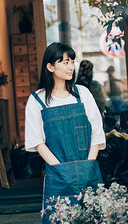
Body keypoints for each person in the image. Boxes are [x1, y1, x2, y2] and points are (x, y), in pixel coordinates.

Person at [24, 43, 106, 223]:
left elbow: (97, 132)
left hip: (89, 173)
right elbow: (37, 142)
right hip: (58, 176)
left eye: (72, 62)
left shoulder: (82, 93)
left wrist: (89, 165)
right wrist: (62, 170)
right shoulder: (37, 100)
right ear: (50, 66)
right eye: (65, 62)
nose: (71, 67)